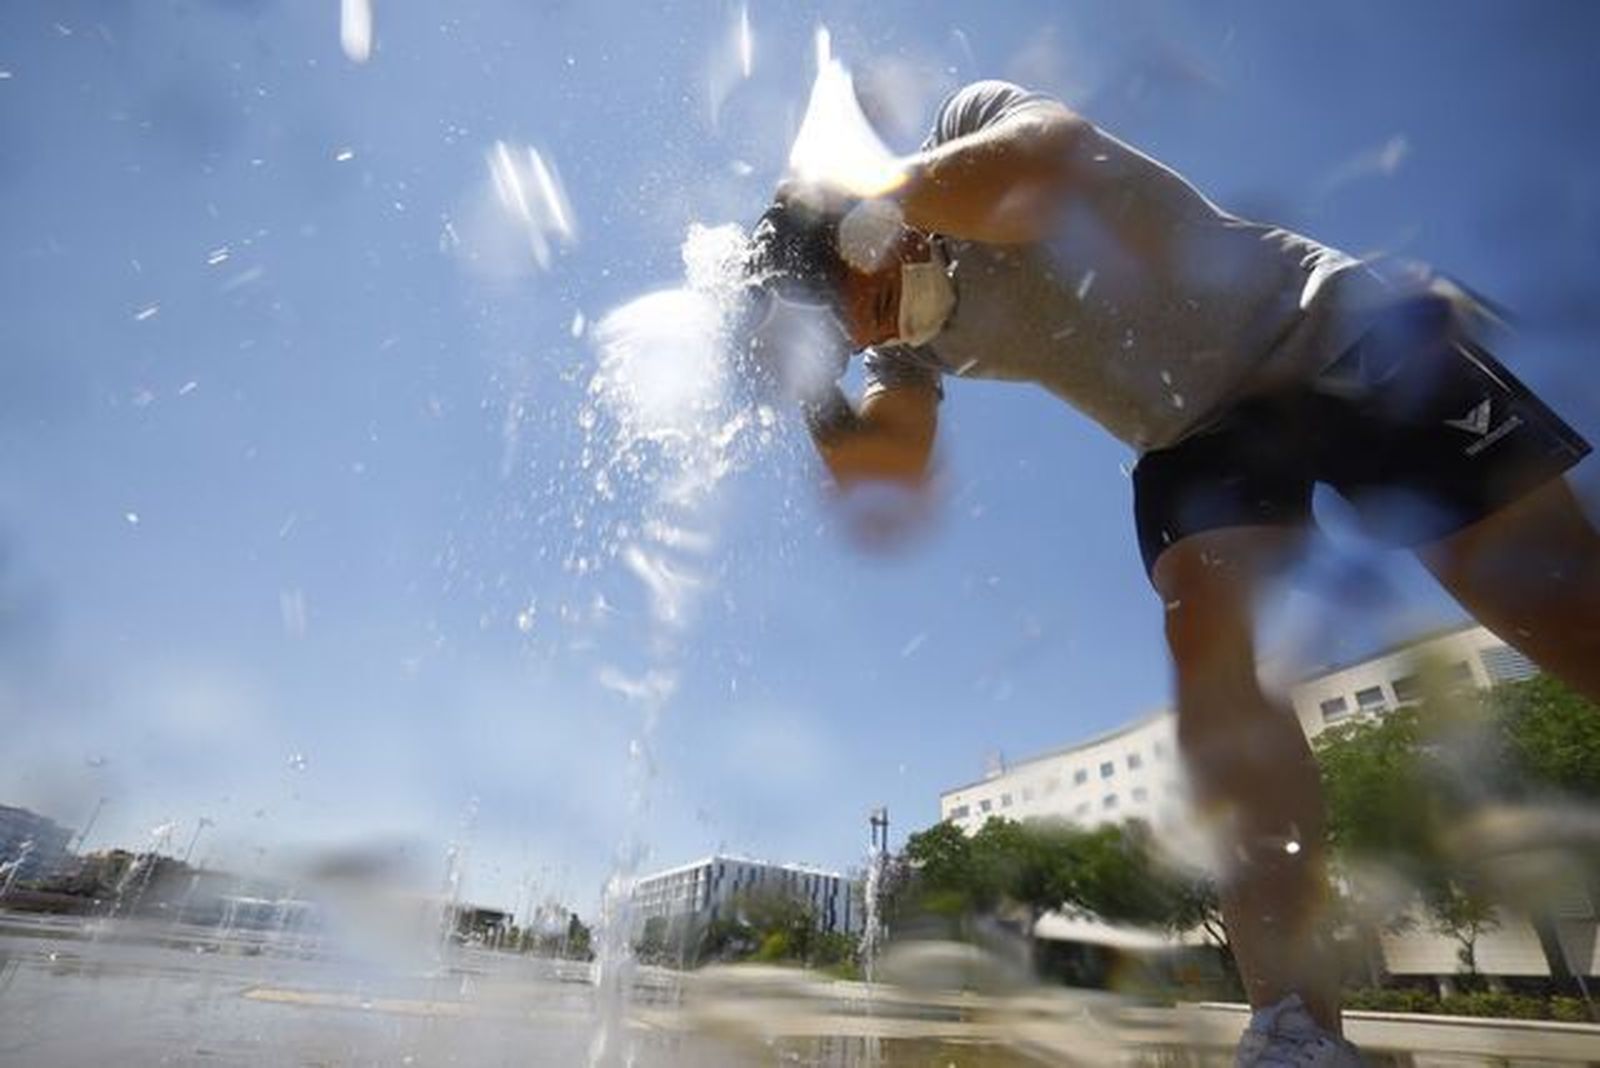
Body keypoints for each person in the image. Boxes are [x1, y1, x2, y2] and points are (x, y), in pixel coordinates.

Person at [742, 80, 1600, 1066]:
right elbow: (890, 468)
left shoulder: (971, 126)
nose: (890, 331)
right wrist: (810, 392)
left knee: (1558, 608)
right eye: (867, 336)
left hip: (1319, 330)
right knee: (1208, 644)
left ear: (868, 225)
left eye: (882, 303)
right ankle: (1295, 1028)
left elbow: (1045, 169)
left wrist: (868, 190)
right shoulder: (910, 348)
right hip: (1192, 436)